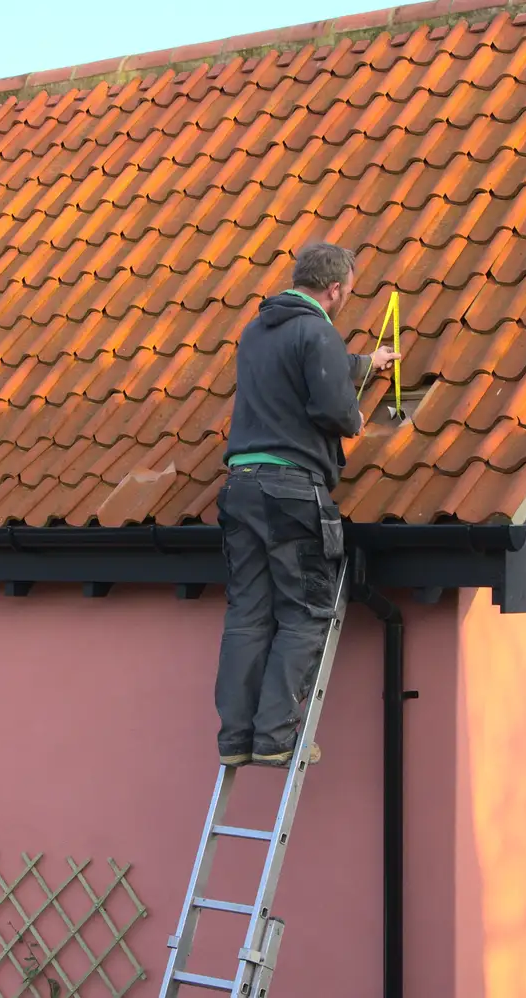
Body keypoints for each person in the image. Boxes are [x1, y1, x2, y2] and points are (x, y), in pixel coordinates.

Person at [214, 243, 400, 767]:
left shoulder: (258, 330)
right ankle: (274, 738)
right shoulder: (318, 330)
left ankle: (235, 740)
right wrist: (356, 417)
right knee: (304, 611)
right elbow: (333, 407)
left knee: (248, 613)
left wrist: (366, 362)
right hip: (290, 490)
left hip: (241, 485)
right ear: (336, 288)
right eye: (348, 292)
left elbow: (309, 364)